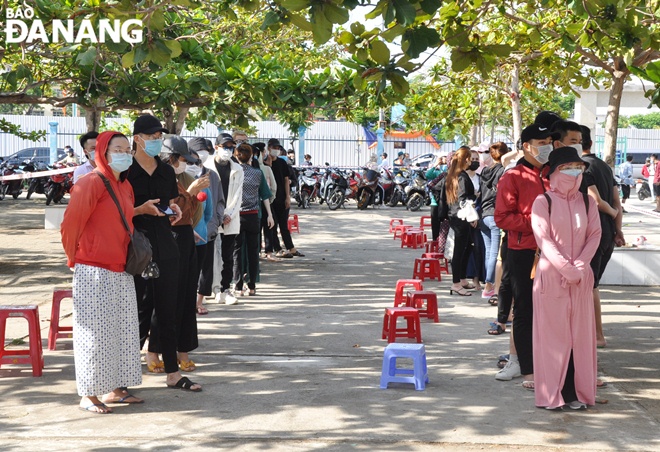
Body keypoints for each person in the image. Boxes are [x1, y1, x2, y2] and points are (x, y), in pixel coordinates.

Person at [61, 131, 144, 414]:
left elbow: (123, 218)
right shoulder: (90, 183)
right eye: (117, 148)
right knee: (94, 335)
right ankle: (89, 394)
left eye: (127, 149)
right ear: (102, 152)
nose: (124, 153)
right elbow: (70, 225)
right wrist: (74, 257)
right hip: (93, 269)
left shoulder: (125, 185)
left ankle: (115, 388)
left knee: (122, 332)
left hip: (121, 268)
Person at [127, 115, 201, 392]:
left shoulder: (166, 171)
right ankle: (125, 373)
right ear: (138, 138)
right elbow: (117, 212)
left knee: (169, 309)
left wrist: (175, 209)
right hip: (134, 247)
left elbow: (169, 203)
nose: (157, 141)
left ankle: (172, 372)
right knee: (137, 311)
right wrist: (138, 210)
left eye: (159, 137)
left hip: (166, 244)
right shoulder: (124, 172)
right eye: (152, 136)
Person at [531, 147, 601, 410]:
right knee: (553, 339)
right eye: (569, 166)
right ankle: (552, 395)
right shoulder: (543, 202)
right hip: (552, 276)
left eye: (578, 166)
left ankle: (577, 393)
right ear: (555, 171)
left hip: (582, 278)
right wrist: (567, 269)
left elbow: (595, 235)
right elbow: (544, 239)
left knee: (581, 338)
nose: (576, 171)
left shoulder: (587, 201)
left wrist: (580, 267)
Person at [494, 123, 559, 389]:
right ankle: (526, 368)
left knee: (552, 310)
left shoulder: (553, 174)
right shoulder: (513, 176)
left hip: (554, 252)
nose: (547, 146)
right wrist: (537, 221)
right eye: (541, 142)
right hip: (524, 252)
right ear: (526, 146)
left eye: (549, 141)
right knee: (524, 310)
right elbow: (502, 217)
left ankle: (550, 362)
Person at [159, 136, 209, 370]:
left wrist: (192, 194)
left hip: (186, 236)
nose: (183, 164)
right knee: (167, 298)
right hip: (168, 239)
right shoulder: (160, 177)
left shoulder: (183, 177)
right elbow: (169, 210)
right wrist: (190, 191)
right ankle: (154, 351)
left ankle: (183, 350)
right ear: (170, 157)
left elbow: (189, 211)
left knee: (187, 297)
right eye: (180, 159)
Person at [577, 125, 625, 349]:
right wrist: (618, 229)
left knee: (590, 285)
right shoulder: (605, 167)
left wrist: (613, 216)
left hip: (594, 233)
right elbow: (618, 202)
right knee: (592, 284)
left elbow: (598, 201)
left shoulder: (583, 168)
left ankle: (597, 334)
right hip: (608, 233)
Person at [188, 137, 225, 315]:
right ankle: (188, 300)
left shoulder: (211, 176)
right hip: (185, 233)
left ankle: (199, 301)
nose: (198, 159)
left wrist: (214, 222)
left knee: (206, 268)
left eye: (203, 152)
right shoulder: (181, 177)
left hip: (206, 231)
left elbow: (217, 202)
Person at [232, 143, 275, 295]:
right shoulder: (257, 173)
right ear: (251, 156)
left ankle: (237, 286)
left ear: (236, 157)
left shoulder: (233, 173)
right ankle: (251, 286)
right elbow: (265, 195)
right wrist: (269, 215)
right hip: (252, 216)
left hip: (236, 216)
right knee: (253, 251)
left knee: (237, 251)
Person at [207, 134, 244, 305]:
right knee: (213, 256)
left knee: (228, 256)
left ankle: (225, 288)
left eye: (231, 147)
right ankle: (213, 288)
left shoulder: (238, 169)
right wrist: (218, 215)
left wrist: (228, 214)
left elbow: (238, 195)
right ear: (216, 147)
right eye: (225, 146)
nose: (228, 150)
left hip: (230, 218)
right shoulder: (207, 167)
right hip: (212, 217)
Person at [445, 146, 477, 296]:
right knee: (459, 251)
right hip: (461, 217)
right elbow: (464, 199)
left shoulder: (453, 175)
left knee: (466, 248)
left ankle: (462, 279)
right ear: (466, 159)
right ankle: (456, 283)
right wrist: (471, 218)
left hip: (455, 215)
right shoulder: (462, 177)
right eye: (470, 158)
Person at [479, 142, 508, 301]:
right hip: (495, 215)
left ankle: (487, 286)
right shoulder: (503, 171)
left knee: (489, 252)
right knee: (495, 254)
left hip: (483, 214)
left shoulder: (485, 171)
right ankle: (490, 285)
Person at [268, 138, 304, 258]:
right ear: (269, 148)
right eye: (274, 148)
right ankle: (277, 248)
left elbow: (286, 180)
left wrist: (288, 197)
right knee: (273, 225)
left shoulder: (282, 163)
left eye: (278, 148)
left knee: (284, 224)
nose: (276, 150)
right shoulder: (264, 164)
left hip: (282, 197)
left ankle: (291, 247)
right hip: (269, 199)